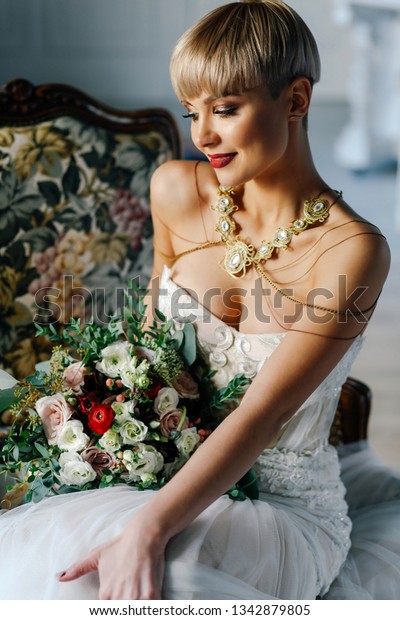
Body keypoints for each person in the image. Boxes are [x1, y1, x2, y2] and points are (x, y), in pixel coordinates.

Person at [0, 0, 399, 601]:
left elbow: (260, 419)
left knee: (167, 573)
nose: (202, 134)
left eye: (225, 109)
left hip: (284, 511)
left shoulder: (354, 251)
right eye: (193, 112)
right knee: (74, 563)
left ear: (295, 100)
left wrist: (150, 528)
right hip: (156, 477)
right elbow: (145, 351)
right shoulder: (175, 191)